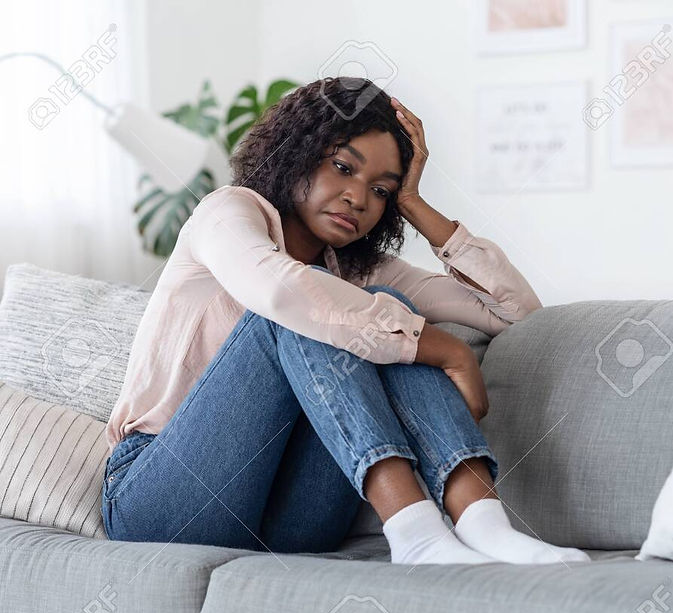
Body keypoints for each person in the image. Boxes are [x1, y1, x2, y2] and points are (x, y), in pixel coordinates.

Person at [101, 77, 589, 566]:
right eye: (342, 167)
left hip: (287, 515)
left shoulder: (358, 268)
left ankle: (484, 523)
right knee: (311, 307)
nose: (358, 198)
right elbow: (281, 292)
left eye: (380, 190)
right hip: (163, 497)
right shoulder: (226, 212)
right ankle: (416, 533)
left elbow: (516, 313)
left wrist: (413, 203)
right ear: (298, 153)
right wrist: (448, 351)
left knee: (380, 301)